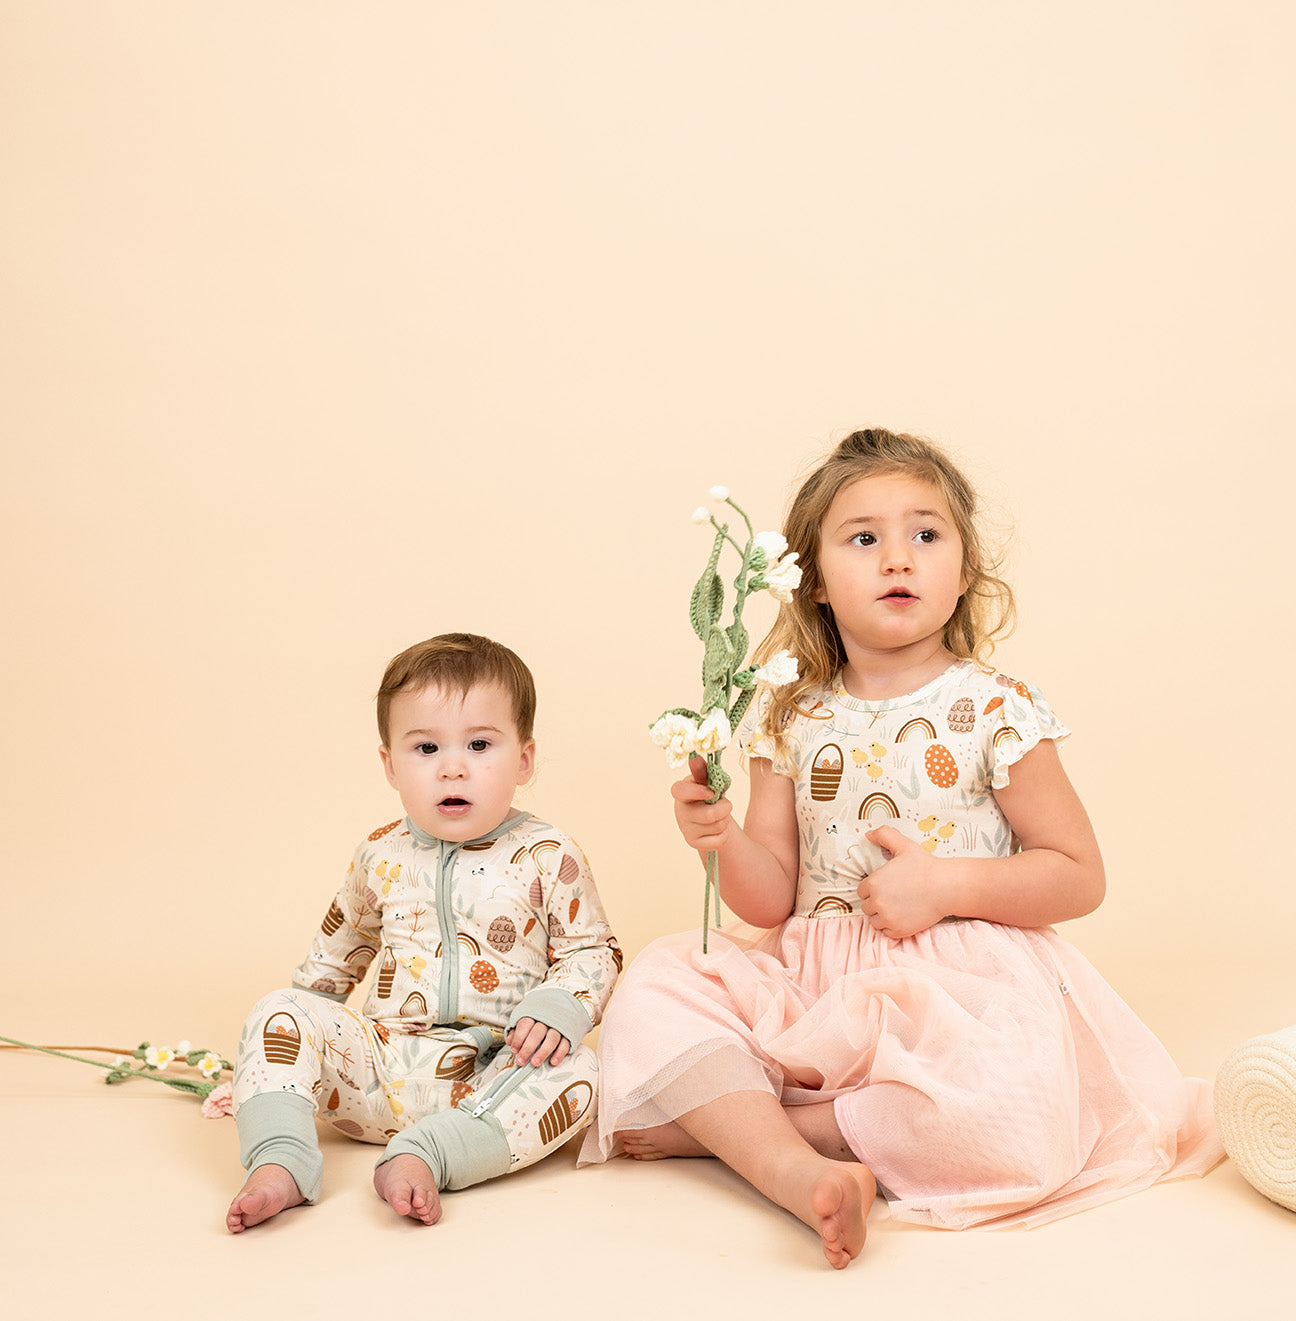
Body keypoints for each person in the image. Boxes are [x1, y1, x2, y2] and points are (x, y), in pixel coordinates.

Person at [580, 429, 1221, 1269]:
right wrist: (720, 838)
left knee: (1022, 1110)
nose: (897, 559)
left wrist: (944, 885)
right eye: (863, 538)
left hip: (960, 997)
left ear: (964, 570)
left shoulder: (995, 707)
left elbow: (1076, 874)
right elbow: (768, 899)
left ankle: (754, 1128)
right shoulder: (789, 716)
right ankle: (795, 1168)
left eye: (925, 534)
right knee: (655, 987)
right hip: (813, 985)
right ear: (812, 581)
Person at [227, 633, 620, 1232]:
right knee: (279, 1009)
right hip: (378, 1072)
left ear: (524, 759)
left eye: (480, 744)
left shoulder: (548, 854)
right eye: (427, 747)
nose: (453, 766)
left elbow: (592, 949)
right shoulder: (379, 853)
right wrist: (276, 1070)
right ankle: (281, 1157)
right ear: (389, 764)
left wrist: (560, 1003)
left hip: (492, 1073)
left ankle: (426, 1154)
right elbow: (333, 961)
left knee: (580, 1075)